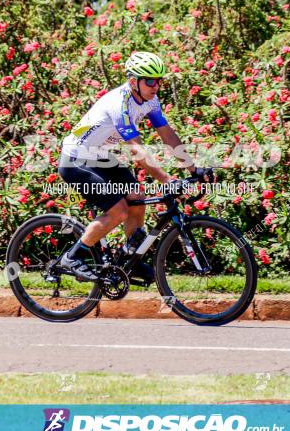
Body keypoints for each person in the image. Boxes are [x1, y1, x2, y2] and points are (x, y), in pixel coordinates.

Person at [56, 51, 213, 284]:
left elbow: (167, 134)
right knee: (119, 210)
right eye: (150, 80)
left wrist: (193, 169)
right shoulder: (118, 105)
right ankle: (73, 256)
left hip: (99, 156)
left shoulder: (150, 99)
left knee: (137, 198)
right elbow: (138, 152)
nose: (156, 85)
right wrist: (166, 179)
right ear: (133, 81)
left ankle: (130, 259)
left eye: (159, 80)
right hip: (76, 159)